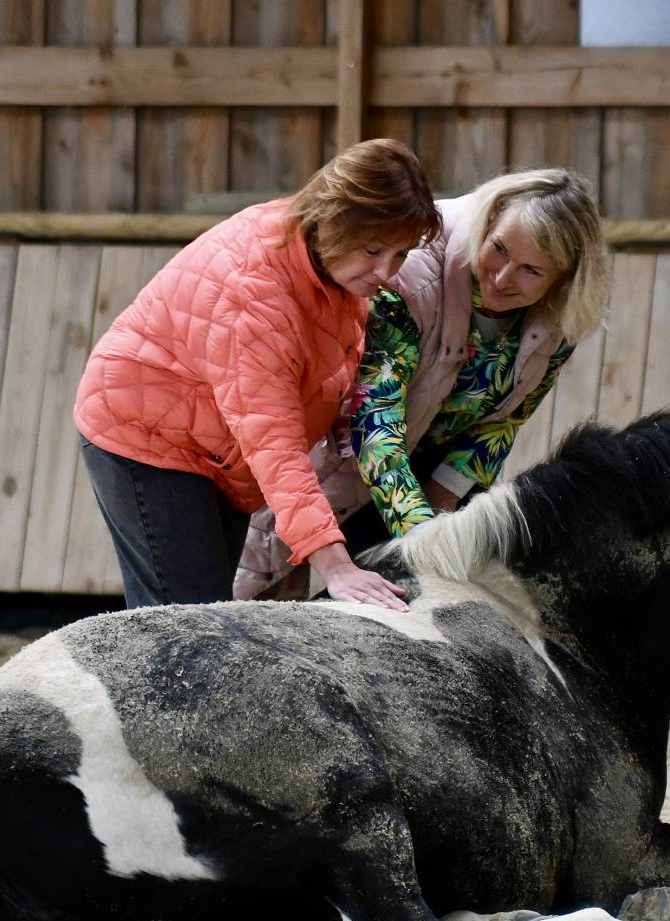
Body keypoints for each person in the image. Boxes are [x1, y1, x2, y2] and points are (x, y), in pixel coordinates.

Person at [74, 138, 441, 610]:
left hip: (213, 444)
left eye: (401, 255)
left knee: (209, 615)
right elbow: (274, 442)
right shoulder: (255, 293)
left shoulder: (329, 260)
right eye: (374, 250)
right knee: (185, 629)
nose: (386, 273)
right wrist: (337, 568)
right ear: (333, 219)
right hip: (145, 434)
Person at [234, 167, 609, 600]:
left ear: (563, 281)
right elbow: (374, 418)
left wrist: (440, 510)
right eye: (499, 250)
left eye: (531, 271)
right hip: (347, 457)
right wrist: (424, 534)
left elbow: (504, 423)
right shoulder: (410, 278)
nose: (502, 279)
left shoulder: (565, 320)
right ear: (486, 225)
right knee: (269, 600)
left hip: (438, 472)